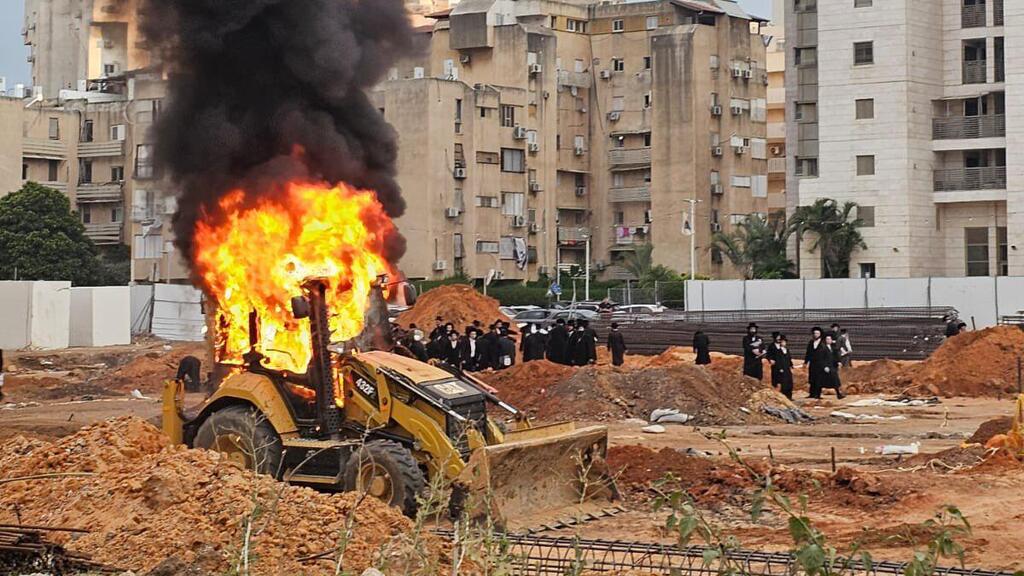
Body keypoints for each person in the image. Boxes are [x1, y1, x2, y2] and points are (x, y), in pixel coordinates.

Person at [804, 327, 832, 400]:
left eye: (817, 333)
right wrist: (806, 362)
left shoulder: (823, 343)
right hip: (812, 364)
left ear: (820, 334)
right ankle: (811, 394)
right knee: (812, 378)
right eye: (815, 333)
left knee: (819, 379)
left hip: (820, 364)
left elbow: (827, 355)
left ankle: (817, 394)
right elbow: (808, 353)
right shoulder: (811, 342)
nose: (816, 335)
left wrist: (826, 365)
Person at [770, 334, 795, 400]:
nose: (783, 343)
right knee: (784, 383)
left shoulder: (787, 350)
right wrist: (780, 368)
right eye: (782, 342)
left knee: (789, 382)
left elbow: (789, 359)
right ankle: (784, 396)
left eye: (784, 342)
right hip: (782, 369)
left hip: (787, 368)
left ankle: (789, 396)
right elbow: (778, 361)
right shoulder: (778, 351)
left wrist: (791, 365)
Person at [823, 333, 845, 399]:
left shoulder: (833, 347)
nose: (828, 340)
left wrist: (839, 362)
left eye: (829, 339)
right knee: (825, 381)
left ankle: (838, 393)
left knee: (835, 380)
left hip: (833, 366)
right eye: (827, 339)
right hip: (827, 367)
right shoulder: (823, 348)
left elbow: (836, 356)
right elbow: (821, 358)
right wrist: (825, 366)